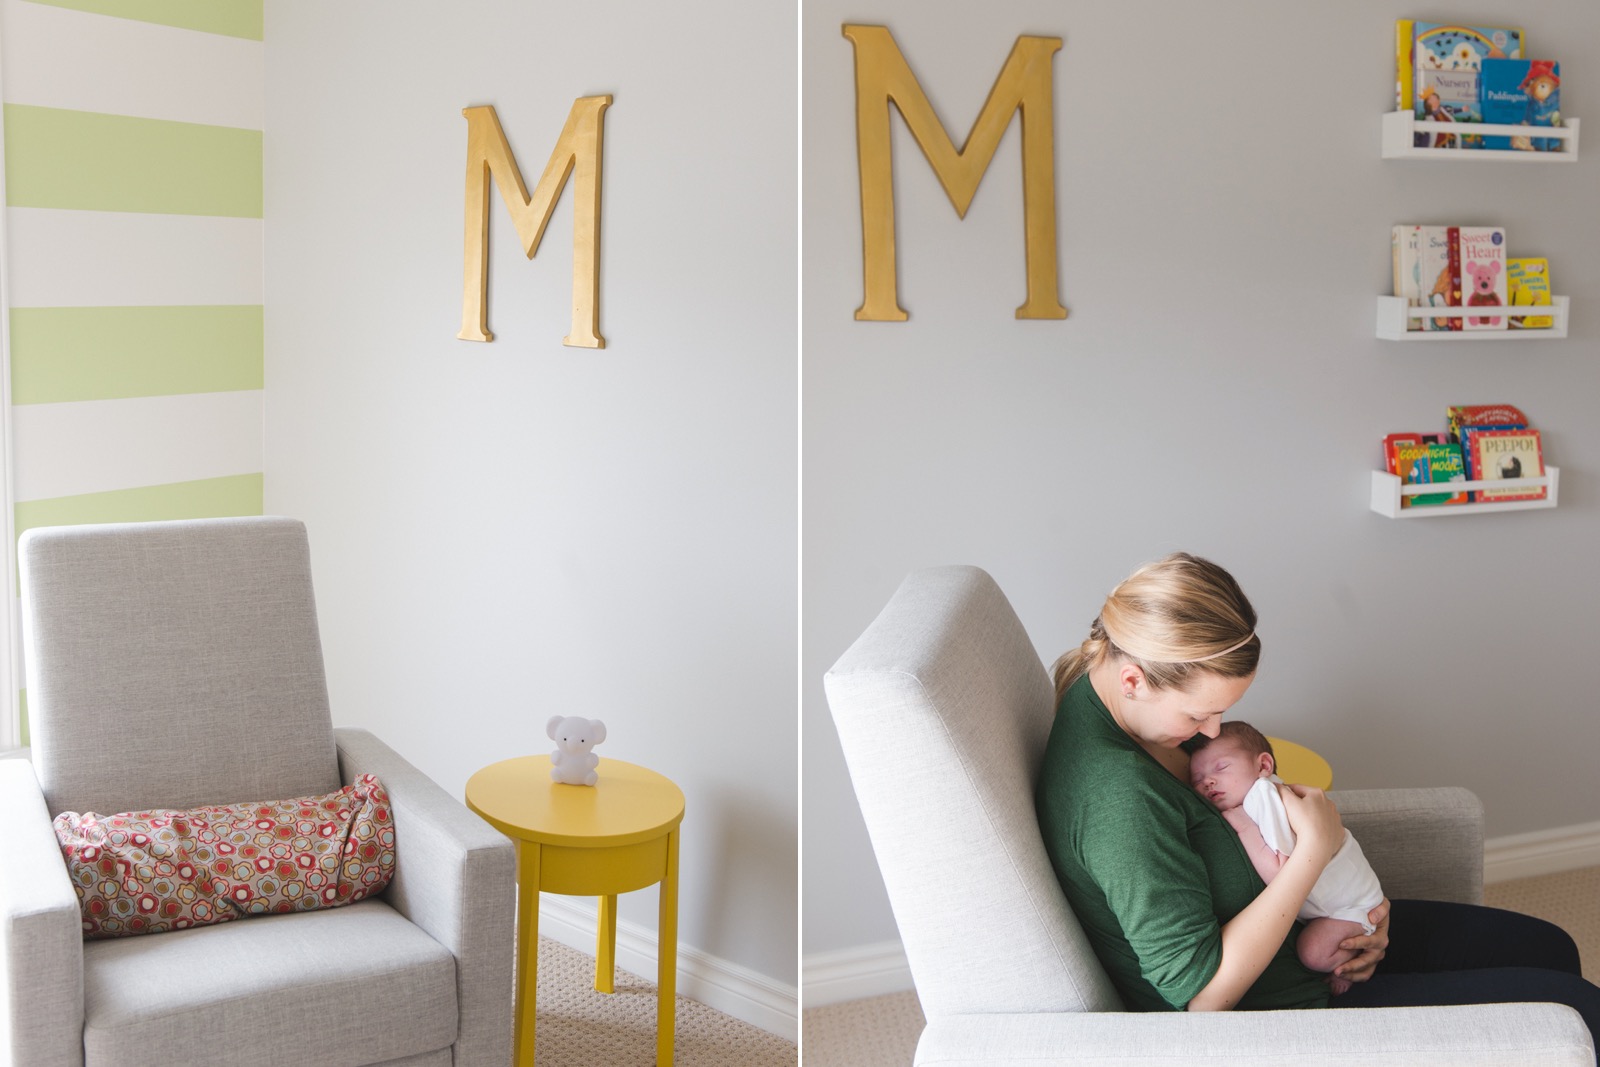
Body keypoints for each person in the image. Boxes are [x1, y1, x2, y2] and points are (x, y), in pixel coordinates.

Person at [1033, 552, 1600, 1048]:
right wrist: (1312, 854)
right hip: (1285, 1013)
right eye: (1198, 714)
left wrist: (1349, 919)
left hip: (1312, 941)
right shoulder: (1117, 797)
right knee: (1582, 1011)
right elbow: (1201, 997)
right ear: (1133, 681)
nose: (1211, 732)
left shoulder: (1108, 689)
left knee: (1548, 945)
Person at [1188, 721, 1383, 995]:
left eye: (1221, 767)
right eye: (1196, 780)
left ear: (1263, 766)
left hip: (1349, 908)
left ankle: (1346, 965)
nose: (1207, 781)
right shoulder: (1256, 798)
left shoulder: (1263, 796)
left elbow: (1283, 875)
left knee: (1314, 955)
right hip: (1351, 902)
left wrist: (1242, 825)